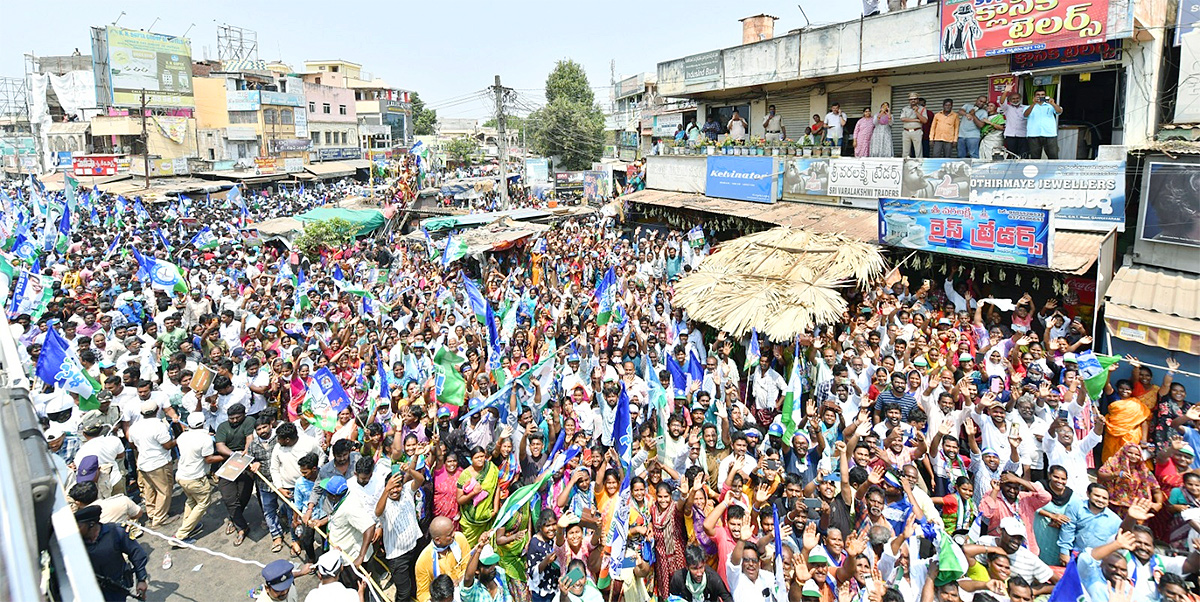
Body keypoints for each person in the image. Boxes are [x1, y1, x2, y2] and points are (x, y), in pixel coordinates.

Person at [76, 504, 150, 601]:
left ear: (91, 524)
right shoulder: (76, 544)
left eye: (79, 526)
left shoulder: (116, 532)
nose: (75, 530)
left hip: (120, 586)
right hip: (96, 592)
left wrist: (141, 579)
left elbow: (136, 554)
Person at [1023, 88, 1063, 159]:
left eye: (1042, 95)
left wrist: (1053, 103)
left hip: (1050, 134)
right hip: (1033, 134)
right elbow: (1025, 115)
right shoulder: (1029, 107)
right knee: (1035, 157)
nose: (1040, 96)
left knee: (1053, 155)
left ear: (1045, 96)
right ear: (1034, 97)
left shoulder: (1050, 106)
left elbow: (1059, 111)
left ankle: (1053, 170)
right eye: (1038, 95)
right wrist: (1033, 104)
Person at [900, 92, 928, 157]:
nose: (913, 100)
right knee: (905, 151)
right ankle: (905, 164)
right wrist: (916, 120)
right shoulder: (905, 109)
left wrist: (916, 112)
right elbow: (903, 119)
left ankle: (919, 165)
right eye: (911, 99)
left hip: (917, 131)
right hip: (906, 131)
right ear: (909, 101)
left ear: (918, 100)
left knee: (918, 151)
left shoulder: (922, 109)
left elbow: (924, 120)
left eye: (914, 99)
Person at [1002, 91, 1029, 159]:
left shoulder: (1026, 108)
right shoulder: (1007, 108)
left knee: (1023, 155)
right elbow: (1002, 101)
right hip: (1010, 135)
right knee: (1012, 155)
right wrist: (1006, 91)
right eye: (1013, 99)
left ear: (1020, 99)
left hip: (1023, 135)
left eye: (1017, 98)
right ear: (1010, 100)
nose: (1015, 100)